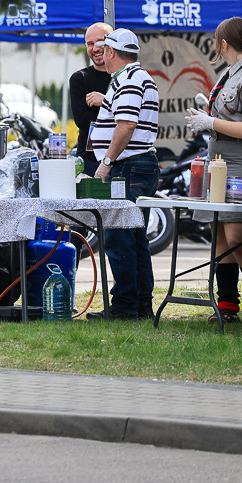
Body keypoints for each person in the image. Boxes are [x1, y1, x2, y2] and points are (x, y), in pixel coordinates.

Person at [185, 17, 242, 323]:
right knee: (218, 231)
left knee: (236, 236)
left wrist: (210, 123)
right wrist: (208, 110)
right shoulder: (230, 74)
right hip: (220, 158)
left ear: (223, 43)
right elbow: (229, 114)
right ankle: (228, 304)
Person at [87, 28, 160, 321]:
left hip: (128, 166)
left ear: (112, 53)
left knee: (120, 236)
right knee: (135, 236)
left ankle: (125, 306)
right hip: (138, 165)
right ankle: (140, 304)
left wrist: (105, 162)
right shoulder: (138, 77)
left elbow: (126, 125)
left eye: (103, 49)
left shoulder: (129, 80)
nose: (100, 54)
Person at [69, 22, 113, 177]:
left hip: (122, 158)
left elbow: (133, 118)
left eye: (101, 42)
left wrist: (105, 102)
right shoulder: (79, 78)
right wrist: (116, 113)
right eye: (90, 44)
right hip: (89, 160)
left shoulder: (124, 77)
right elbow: (82, 120)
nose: (95, 48)